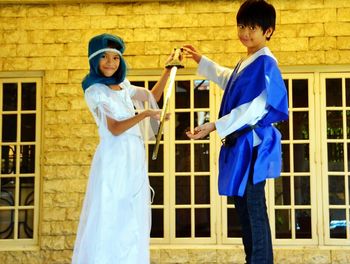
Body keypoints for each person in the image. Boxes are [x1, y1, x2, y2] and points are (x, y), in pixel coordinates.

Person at [183, 0, 288, 263]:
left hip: (252, 144)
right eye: (242, 26)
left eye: (252, 27)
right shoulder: (248, 61)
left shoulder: (266, 63)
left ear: (268, 31)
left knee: (252, 207)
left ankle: (259, 261)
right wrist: (201, 61)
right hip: (242, 143)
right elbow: (229, 78)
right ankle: (253, 259)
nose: (245, 33)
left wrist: (214, 125)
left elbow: (255, 108)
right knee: (244, 207)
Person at [72, 33, 172, 264]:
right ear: (94, 59)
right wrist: (145, 114)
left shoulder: (123, 85)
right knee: (110, 217)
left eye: (115, 57)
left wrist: (168, 70)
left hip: (133, 160)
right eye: (104, 57)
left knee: (130, 219)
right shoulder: (95, 90)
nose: (110, 62)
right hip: (114, 160)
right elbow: (115, 128)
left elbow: (151, 96)